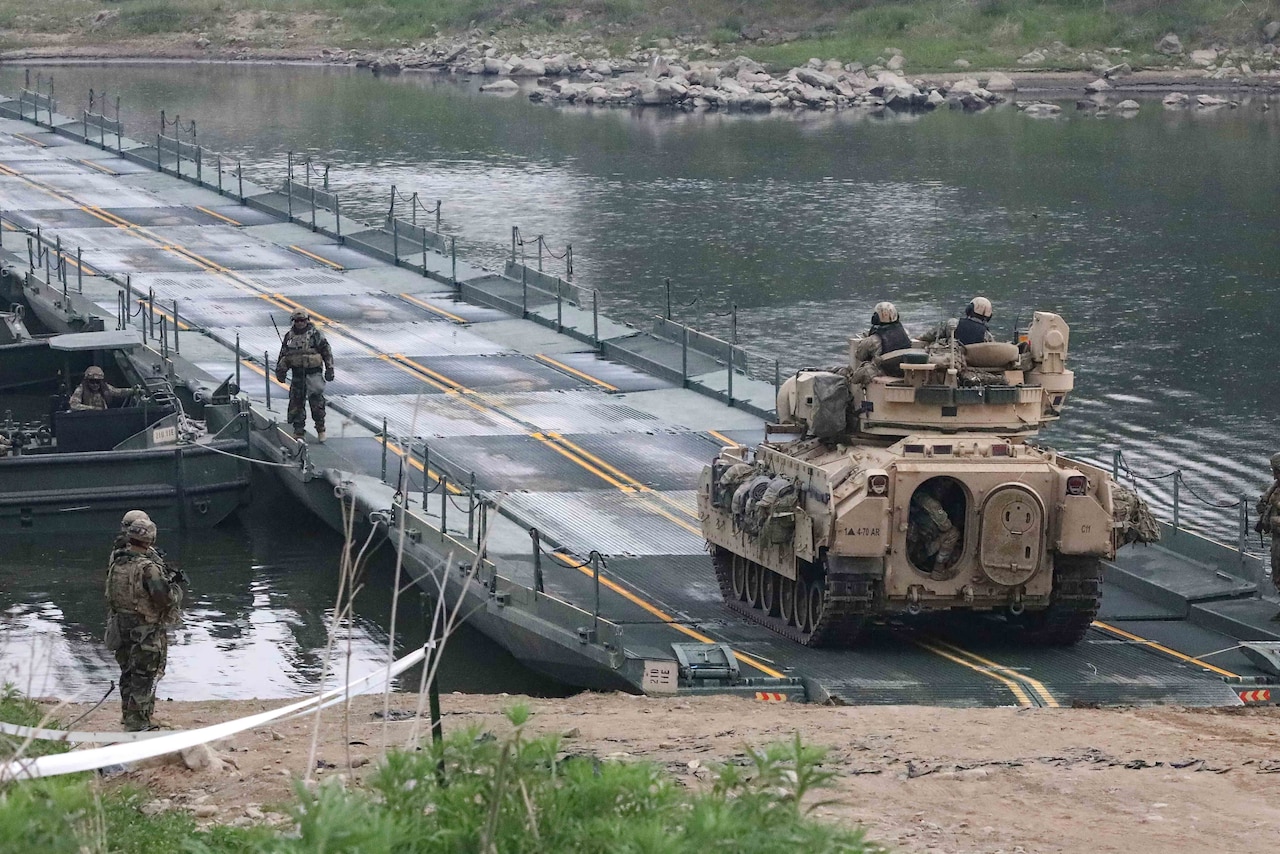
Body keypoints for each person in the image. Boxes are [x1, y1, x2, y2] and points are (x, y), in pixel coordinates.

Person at [104, 518, 182, 731]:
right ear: (150, 539)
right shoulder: (148, 568)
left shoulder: (118, 560)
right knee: (144, 676)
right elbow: (164, 599)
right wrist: (175, 589)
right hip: (144, 629)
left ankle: (129, 717)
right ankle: (137, 725)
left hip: (121, 625)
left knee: (128, 673)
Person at [275, 307, 334, 442]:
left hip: (313, 373)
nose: (300, 323)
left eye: (302, 320)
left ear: (307, 320)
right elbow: (283, 355)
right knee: (296, 404)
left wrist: (329, 369)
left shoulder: (315, 335)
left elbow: (326, 351)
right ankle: (298, 431)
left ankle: (320, 428)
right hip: (297, 374)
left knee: (317, 403)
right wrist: (281, 371)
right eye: (297, 320)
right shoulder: (289, 337)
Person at [850, 302, 912, 385]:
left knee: (863, 370)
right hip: (903, 371)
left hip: (885, 371)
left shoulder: (873, 339)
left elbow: (860, 355)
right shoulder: (904, 333)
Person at [907, 485, 961, 576]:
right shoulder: (930, 503)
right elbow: (945, 526)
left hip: (911, 549)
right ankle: (938, 570)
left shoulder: (917, 498)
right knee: (953, 533)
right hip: (916, 552)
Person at [920, 297, 996, 346]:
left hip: (954, 359)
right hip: (974, 362)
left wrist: (920, 338)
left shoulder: (953, 324)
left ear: (969, 309)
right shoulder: (987, 335)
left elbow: (930, 335)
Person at [1255, 453, 1280, 599]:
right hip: (1276, 539)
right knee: (1277, 572)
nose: (1274, 476)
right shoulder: (1275, 488)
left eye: (1276, 471)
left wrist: (1274, 521)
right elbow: (1262, 506)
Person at [69, 366, 140, 411]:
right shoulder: (81, 389)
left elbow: (119, 392)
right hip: (87, 418)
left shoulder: (104, 387)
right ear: (87, 381)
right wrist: (93, 409)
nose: (95, 384)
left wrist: (134, 391)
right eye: (92, 381)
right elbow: (73, 405)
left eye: (97, 382)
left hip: (103, 417)